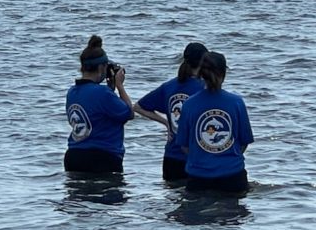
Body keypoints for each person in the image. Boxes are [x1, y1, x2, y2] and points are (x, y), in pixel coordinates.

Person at [175, 51, 254, 194]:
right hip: (232, 177)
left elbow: (184, 146)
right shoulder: (236, 102)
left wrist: (203, 158)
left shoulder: (189, 104)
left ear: (201, 73)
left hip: (198, 178)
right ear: (224, 72)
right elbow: (244, 142)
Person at [133, 42, 208, 180]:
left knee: (173, 199)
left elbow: (138, 107)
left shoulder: (169, 87)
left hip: (171, 157)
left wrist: (167, 123)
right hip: (195, 158)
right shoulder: (204, 89)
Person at [64, 35, 134, 173]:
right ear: (102, 67)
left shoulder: (72, 92)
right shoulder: (103, 94)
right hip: (102, 157)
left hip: (74, 155)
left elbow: (96, 113)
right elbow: (129, 113)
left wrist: (110, 89)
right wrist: (119, 86)